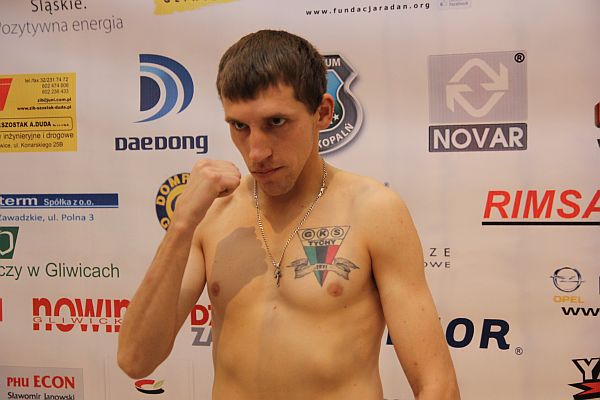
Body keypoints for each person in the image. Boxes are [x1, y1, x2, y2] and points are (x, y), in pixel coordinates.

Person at [118, 29, 460, 400]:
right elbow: (136, 360)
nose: (256, 152)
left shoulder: (373, 209)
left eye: (276, 123)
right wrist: (182, 223)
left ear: (323, 112)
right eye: (239, 126)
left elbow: (436, 384)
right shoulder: (212, 215)